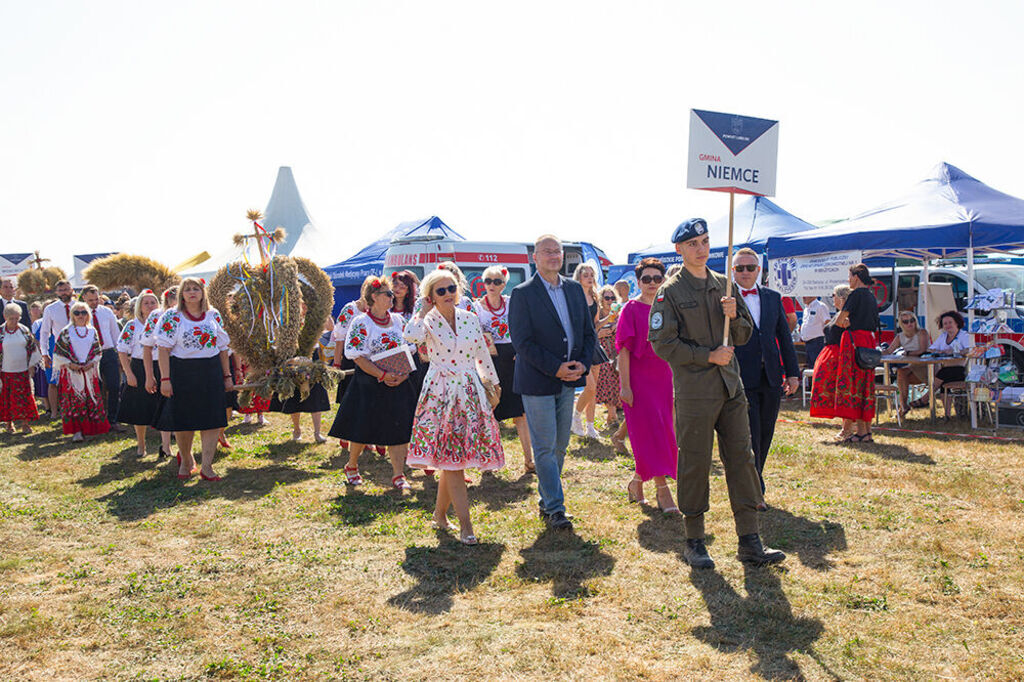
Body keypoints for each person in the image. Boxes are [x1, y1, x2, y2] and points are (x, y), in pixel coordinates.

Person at [649, 218, 785, 568]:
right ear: (679, 249)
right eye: (693, 243)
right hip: (696, 390)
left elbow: (742, 334)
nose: (701, 248)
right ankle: (694, 539)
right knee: (694, 462)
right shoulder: (671, 292)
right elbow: (662, 344)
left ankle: (750, 540)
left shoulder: (725, 284)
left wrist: (735, 313)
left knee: (743, 458)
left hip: (731, 386)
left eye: (706, 241)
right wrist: (706, 355)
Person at [405, 269, 505, 544]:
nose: (448, 294)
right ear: (430, 297)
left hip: (470, 391)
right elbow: (410, 337)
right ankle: (466, 525)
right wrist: (422, 310)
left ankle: (439, 515)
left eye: (451, 288)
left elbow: (481, 354)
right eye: (441, 291)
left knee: (453, 459)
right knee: (452, 460)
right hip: (440, 394)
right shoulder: (426, 321)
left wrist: (494, 385)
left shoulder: (470, 319)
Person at [509, 234, 595, 531]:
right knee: (544, 447)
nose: (554, 256)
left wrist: (582, 363)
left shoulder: (573, 289)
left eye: (557, 251)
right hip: (538, 381)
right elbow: (522, 342)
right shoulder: (523, 293)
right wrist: (555, 368)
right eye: (547, 251)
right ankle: (556, 508)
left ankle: (547, 500)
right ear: (535, 257)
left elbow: (587, 332)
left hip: (570, 377)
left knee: (560, 445)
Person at [328, 275, 417, 490]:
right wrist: (382, 375)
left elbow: (409, 348)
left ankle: (398, 474)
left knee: (398, 428)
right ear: (375, 297)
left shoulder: (398, 320)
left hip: (398, 380)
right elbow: (357, 355)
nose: (392, 296)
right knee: (363, 426)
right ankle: (352, 465)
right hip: (370, 381)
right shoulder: (361, 322)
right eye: (388, 293)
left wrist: (402, 374)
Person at [731, 247, 801, 505]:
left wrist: (792, 373)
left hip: (771, 376)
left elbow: (783, 336)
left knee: (766, 431)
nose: (746, 272)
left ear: (758, 270)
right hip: (740, 376)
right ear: (733, 271)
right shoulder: (725, 299)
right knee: (750, 432)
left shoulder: (772, 297)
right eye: (740, 268)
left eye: (750, 267)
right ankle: (753, 486)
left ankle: (756, 477)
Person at [152, 277, 233, 481]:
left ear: (202, 292)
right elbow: (163, 350)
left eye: (195, 288)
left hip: (210, 370)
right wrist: (165, 379)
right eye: (187, 289)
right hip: (182, 372)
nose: (191, 292)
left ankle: (207, 466)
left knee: (212, 419)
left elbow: (223, 348)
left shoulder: (213, 314)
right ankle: (187, 461)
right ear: (181, 294)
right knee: (184, 420)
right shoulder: (172, 316)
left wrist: (227, 375)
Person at [615, 258, 678, 513]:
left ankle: (636, 482)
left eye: (656, 278)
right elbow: (623, 351)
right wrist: (625, 386)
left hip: (664, 378)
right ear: (638, 281)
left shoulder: (668, 307)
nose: (652, 283)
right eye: (646, 279)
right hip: (639, 381)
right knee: (649, 433)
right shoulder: (630, 309)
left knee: (663, 432)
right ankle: (663, 490)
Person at [473, 265, 534, 473]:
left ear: (504, 284)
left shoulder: (511, 303)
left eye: (497, 281)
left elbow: (523, 326)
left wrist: (521, 348)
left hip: (513, 357)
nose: (492, 285)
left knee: (521, 413)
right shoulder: (476, 307)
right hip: (489, 360)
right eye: (488, 281)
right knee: (490, 411)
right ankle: (487, 462)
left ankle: (529, 460)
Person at [269, 300, 331, 443]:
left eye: (305, 304)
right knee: (294, 395)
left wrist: (321, 313)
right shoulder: (286, 320)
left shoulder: (314, 318)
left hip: (312, 355)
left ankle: (317, 432)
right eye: (300, 303)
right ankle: (297, 430)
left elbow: (330, 327)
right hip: (293, 357)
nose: (303, 306)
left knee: (316, 394)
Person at [832, 263, 880, 442]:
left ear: (856, 277)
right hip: (868, 341)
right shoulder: (870, 295)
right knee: (866, 386)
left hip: (854, 342)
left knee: (853, 385)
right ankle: (866, 431)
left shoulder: (856, 294)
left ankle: (860, 432)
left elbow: (839, 320)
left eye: (849, 276)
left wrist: (847, 323)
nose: (848, 280)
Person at [52, 301, 110, 441]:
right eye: (77, 313)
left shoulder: (92, 331)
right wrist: (70, 364)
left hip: (89, 372)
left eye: (83, 312)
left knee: (91, 399)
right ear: (72, 315)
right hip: (72, 373)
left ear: (88, 314)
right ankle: (77, 431)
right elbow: (58, 353)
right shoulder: (66, 332)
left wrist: (91, 363)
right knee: (74, 401)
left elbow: (98, 351)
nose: (80, 316)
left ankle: (91, 429)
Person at [115, 290, 162, 457]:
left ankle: (166, 445)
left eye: (153, 302)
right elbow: (121, 350)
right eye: (146, 303)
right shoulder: (132, 325)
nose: (150, 306)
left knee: (163, 405)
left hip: (161, 365)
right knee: (139, 408)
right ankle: (141, 445)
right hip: (139, 367)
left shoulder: (164, 322)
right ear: (140, 307)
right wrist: (129, 374)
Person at [809, 286, 853, 439]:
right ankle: (844, 426)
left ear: (841, 297)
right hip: (830, 355)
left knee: (841, 392)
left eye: (833, 295)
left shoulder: (846, 317)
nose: (832, 297)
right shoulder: (837, 314)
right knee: (833, 392)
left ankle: (847, 428)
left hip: (839, 356)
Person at [81, 285, 124, 432]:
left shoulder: (106, 312)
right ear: (84, 298)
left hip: (108, 352)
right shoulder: (80, 313)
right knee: (95, 388)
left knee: (114, 386)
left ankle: (113, 420)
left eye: (96, 299)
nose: (94, 302)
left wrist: (120, 353)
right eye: (91, 300)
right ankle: (96, 420)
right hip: (90, 355)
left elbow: (115, 333)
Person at [910, 311, 972, 412]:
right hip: (947, 369)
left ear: (956, 323)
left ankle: (925, 398)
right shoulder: (943, 336)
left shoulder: (964, 335)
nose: (947, 325)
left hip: (963, 370)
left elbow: (970, 350)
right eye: (945, 323)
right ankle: (947, 415)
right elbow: (931, 349)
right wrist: (939, 351)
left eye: (950, 322)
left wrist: (955, 351)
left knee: (943, 373)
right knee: (944, 381)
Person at [140, 286, 176, 458]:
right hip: (159, 363)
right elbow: (146, 348)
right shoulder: (156, 316)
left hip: (183, 364)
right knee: (165, 404)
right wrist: (149, 375)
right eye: (173, 297)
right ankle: (166, 445)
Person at [570, 263, 602, 439]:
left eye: (592, 274)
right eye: (586, 275)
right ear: (579, 277)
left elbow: (595, 324)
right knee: (589, 387)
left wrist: (608, 322)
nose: (590, 278)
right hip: (580, 345)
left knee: (594, 389)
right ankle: (575, 417)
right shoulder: (574, 296)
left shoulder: (594, 296)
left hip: (594, 343)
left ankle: (590, 427)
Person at [1, 303, 41, 433]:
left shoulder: (24, 330)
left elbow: (32, 348)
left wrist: (32, 366)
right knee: (7, 397)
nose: (14, 321)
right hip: (6, 370)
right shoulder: (1, 332)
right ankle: (9, 423)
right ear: (5, 317)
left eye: (16, 318)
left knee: (25, 396)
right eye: (11, 318)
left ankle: (25, 424)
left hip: (23, 369)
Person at [40, 279, 75, 419]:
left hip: (78, 348)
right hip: (58, 349)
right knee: (53, 382)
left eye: (66, 289)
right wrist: (44, 353)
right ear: (56, 292)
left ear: (72, 290)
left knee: (75, 380)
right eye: (61, 290)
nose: (64, 292)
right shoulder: (51, 309)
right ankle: (54, 412)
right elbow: (44, 332)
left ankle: (75, 411)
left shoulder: (79, 306)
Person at [885, 311, 931, 416]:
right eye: (905, 321)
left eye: (912, 320)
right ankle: (904, 406)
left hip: (926, 367)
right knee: (901, 374)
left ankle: (903, 407)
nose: (910, 323)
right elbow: (889, 351)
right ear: (901, 324)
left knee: (902, 374)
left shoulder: (922, 332)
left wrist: (909, 353)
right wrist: (876, 353)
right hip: (911, 367)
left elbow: (922, 350)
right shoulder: (900, 336)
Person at [594, 284, 621, 428]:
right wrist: (600, 334)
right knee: (607, 380)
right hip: (601, 351)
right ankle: (613, 416)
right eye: (607, 297)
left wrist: (617, 327)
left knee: (615, 381)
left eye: (612, 297)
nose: (610, 300)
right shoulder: (598, 313)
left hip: (615, 351)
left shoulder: (619, 313)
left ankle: (612, 416)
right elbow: (590, 332)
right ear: (601, 299)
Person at [799, 295, 831, 371]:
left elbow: (827, 322)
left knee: (817, 367)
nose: (803, 296)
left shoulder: (820, 306)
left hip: (817, 342)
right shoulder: (806, 308)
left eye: (806, 294)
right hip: (808, 343)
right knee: (810, 367)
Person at [29, 302, 50, 414]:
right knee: (44, 382)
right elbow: (35, 339)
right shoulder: (38, 323)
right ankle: (48, 407)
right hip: (42, 355)